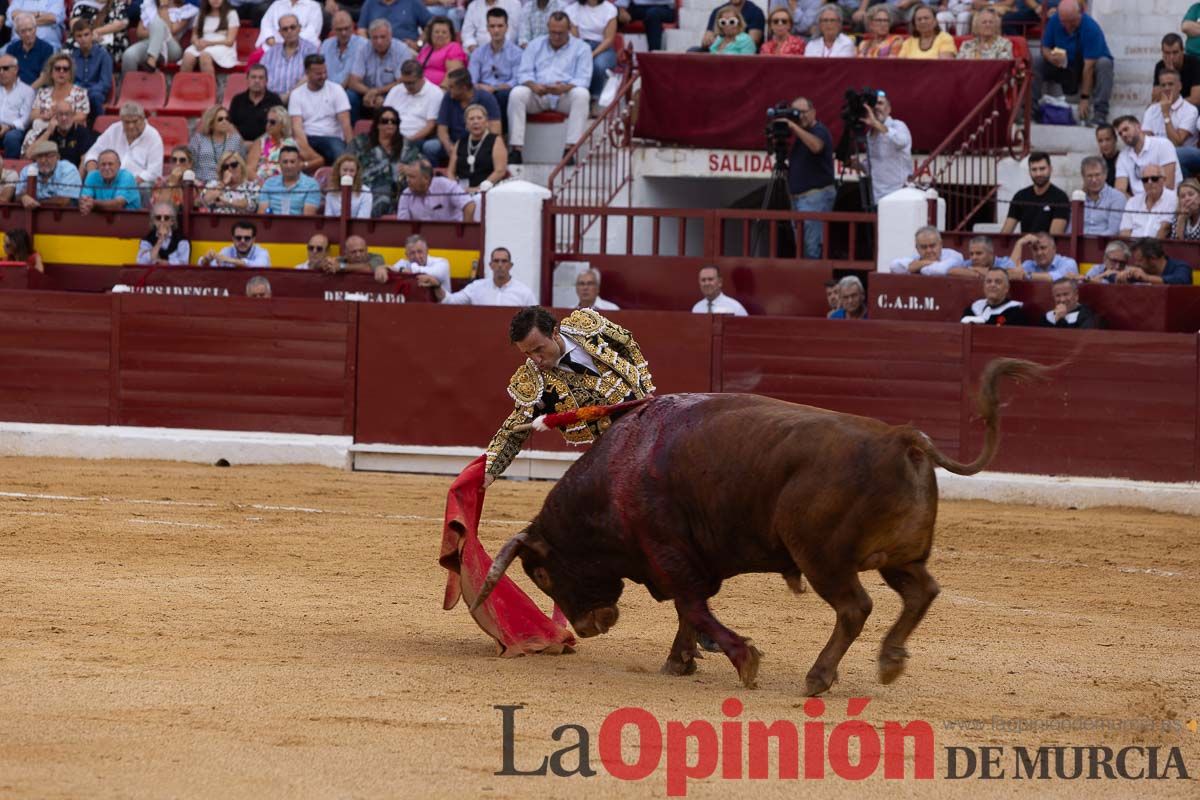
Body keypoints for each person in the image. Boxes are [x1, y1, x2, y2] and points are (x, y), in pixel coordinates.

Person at [482, 304, 654, 485]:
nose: (536, 359)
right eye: (527, 353)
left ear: (555, 333)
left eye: (539, 349)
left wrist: (646, 388)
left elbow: (627, 344)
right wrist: (489, 470)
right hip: (617, 451)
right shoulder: (535, 382)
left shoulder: (587, 326)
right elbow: (513, 431)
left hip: (650, 419)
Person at [506, 13, 593, 165]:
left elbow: (583, 79)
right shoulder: (534, 45)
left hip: (564, 96)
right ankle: (516, 150)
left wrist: (565, 87)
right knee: (517, 93)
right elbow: (523, 73)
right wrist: (534, 85)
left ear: (569, 29)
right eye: (553, 32)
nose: (556, 36)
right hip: (539, 94)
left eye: (560, 33)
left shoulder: (582, 48)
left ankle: (570, 150)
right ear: (548, 28)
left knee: (582, 94)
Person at [1035, 0, 1113, 127]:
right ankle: (1031, 109)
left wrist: (1084, 98)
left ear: (1080, 13)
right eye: (1064, 22)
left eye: (1071, 22)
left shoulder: (1091, 28)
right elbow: (1045, 47)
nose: (1067, 26)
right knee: (1038, 61)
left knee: (1105, 64)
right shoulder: (1054, 21)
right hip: (1063, 65)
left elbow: (1089, 67)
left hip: (1085, 67)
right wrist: (1050, 57)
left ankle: (1100, 114)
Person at [784, 96, 834, 259]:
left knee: (812, 247)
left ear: (813, 112)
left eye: (804, 112)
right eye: (796, 113)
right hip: (798, 199)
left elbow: (816, 146)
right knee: (802, 248)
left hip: (814, 196)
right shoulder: (799, 136)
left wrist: (793, 126)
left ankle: (814, 282)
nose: (800, 116)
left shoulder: (819, 130)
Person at [21, 52, 89, 158]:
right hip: (39, 132)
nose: (61, 72)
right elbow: (33, 114)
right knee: (26, 157)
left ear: (70, 74)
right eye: (57, 68)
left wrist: (58, 120)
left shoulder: (80, 93)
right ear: (51, 73)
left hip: (64, 134)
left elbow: (82, 116)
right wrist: (45, 114)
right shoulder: (43, 92)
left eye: (65, 69)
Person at [289, 54, 353, 167]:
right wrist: (310, 154)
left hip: (332, 137)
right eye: (318, 74)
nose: (323, 76)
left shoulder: (336, 90)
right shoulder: (296, 94)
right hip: (307, 137)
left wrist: (351, 150)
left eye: (325, 72)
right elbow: (297, 128)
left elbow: (346, 124)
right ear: (307, 73)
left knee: (339, 152)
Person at [419, 246, 535, 304]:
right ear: (490, 265)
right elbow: (450, 300)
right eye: (496, 261)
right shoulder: (477, 287)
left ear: (510, 265)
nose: (500, 265)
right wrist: (437, 286)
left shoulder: (524, 292)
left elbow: (536, 320)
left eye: (504, 261)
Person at [82, 102, 163, 185]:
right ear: (121, 120)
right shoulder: (114, 130)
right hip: (107, 179)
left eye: (135, 121)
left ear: (143, 119)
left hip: (135, 184)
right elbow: (92, 153)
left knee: (145, 186)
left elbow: (154, 172)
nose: (131, 126)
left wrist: (128, 183)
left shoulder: (153, 136)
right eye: (127, 122)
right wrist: (93, 175)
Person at [432, 68, 500, 165]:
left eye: (452, 87)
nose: (448, 89)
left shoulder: (487, 98)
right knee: (430, 147)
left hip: (479, 144)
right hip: (454, 142)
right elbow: (442, 128)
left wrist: (483, 148)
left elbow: (496, 129)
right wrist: (449, 147)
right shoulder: (448, 97)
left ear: (463, 88)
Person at [346, 19, 415, 114]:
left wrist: (377, 92)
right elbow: (353, 82)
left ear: (390, 36)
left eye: (383, 37)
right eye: (375, 38)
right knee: (350, 96)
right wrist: (371, 92)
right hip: (367, 92)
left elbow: (401, 82)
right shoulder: (363, 49)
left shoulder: (402, 50)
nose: (379, 41)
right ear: (370, 38)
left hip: (391, 93)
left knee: (393, 98)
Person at [1143, 69, 1200, 180]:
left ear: (1179, 86)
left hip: (1184, 155)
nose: (1167, 88)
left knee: (1175, 155)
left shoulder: (1190, 110)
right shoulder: (1151, 110)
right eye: (1163, 85)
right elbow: (1146, 142)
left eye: (1170, 84)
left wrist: (1166, 114)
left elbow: (1177, 142)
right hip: (1159, 157)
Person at [349, 107, 406, 216]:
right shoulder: (360, 142)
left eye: (394, 122)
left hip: (397, 195)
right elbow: (343, 163)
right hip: (363, 192)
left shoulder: (406, 145)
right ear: (377, 124)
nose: (390, 124)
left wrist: (409, 169)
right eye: (385, 121)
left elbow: (423, 167)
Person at [469, 7, 521, 128]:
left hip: (503, 92)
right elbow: (471, 79)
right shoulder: (478, 53)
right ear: (487, 28)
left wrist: (495, 88)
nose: (496, 30)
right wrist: (480, 87)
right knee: (474, 94)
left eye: (500, 26)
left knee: (503, 95)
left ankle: (499, 135)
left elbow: (516, 80)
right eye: (492, 26)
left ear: (507, 27)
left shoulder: (517, 53)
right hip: (482, 90)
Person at [383, 59, 443, 161]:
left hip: (416, 138)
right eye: (405, 82)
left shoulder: (435, 93)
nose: (407, 86)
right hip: (391, 135)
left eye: (411, 83)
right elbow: (383, 115)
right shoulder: (396, 90)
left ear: (421, 78)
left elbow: (430, 125)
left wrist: (408, 139)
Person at [861, 91, 911, 207]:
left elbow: (901, 141)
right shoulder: (870, 135)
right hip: (878, 199)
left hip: (898, 197)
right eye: (874, 104)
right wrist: (854, 164)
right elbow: (872, 168)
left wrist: (875, 123)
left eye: (880, 103)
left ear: (889, 109)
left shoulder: (898, 125)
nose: (877, 107)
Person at [1000, 151, 1069, 235]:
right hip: (1024, 245)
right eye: (1034, 169)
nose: (1038, 173)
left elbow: (1054, 237)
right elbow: (1005, 233)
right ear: (1029, 171)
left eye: (1042, 169)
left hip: (1048, 247)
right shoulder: (1020, 196)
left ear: (1050, 169)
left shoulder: (1060, 198)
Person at [246, 105, 319, 181]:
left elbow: (319, 160)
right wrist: (263, 185)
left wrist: (303, 165)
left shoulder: (294, 143)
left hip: (288, 185)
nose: (268, 125)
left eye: (272, 122)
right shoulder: (260, 143)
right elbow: (249, 170)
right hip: (263, 186)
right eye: (267, 121)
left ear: (282, 124)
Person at [122, 0, 198, 73]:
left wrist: (163, 7)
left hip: (171, 47)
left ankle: (152, 60)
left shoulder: (186, 9)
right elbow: (139, 32)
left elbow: (171, 31)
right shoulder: (149, 6)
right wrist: (156, 32)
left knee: (157, 22)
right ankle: (127, 84)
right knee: (128, 56)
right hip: (149, 44)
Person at [260, 13, 319, 103]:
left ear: (299, 28)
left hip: (303, 101)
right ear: (280, 32)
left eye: (293, 27)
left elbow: (311, 76)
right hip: (272, 102)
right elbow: (261, 76)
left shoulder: (310, 50)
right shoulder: (271, 53)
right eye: (285, 29)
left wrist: (289, 96)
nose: (289, 31)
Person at [449, 103, 505, 193]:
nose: (475, 122)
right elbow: (450, 172)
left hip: (487, 191)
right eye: (471, 119)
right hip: (461, 192)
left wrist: (480, 188)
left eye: (479, 118)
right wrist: (455, 188)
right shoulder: (460, 142)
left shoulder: (496, 140)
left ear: (486, 122)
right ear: (466, 124)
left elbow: (500, 170)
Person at [565, 0, 617, 98]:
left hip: (603, 48)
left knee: (598, 66)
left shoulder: (610, 9)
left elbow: (609, 39)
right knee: (574, 63)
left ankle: (595, 98)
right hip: (580, 46)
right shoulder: (572, 9)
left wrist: (593, 54)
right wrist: (584, 53)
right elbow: (575, 38)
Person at [395, 157, 475, 221]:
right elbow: (403, 225)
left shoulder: (445, 185)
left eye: (412, 177)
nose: (408, 180)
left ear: (426, 179)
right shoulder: (406, 194)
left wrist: (464, 234)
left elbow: (469, 205)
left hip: (450, 236)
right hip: (422, 239)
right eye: (407, 176)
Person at [322, 10, 369, 117]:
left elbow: (353, 77)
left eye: (346, 28)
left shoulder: (363, 44)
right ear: (333, 29)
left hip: (349, 89)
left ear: (353, 26)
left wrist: (335, 94)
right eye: (339, 29)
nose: (344, 33)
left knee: (349, 96)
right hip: (326, 88)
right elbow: (321, 69)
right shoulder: (326, 44)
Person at [30, 99, 97, 168]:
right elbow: (30, 155)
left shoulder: (82, 132)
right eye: (60, 114)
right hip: (50, 175)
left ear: (72, 115)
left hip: (73, 174)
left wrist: (77, 178)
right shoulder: (49, 131)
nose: (64, 118)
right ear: (55, 117)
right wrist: (48, 132)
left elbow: (85, 160)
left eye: (67, 114)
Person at [258, 144, 321, 214]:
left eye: (292, 162)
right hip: (272, 224)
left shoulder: (311, 185)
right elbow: (262, 214)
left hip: (299, 224)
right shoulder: (269, 183)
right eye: (285, 162)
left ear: (299, 162)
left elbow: (308, 219)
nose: (289, 166)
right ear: (279, 163)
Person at [188, 105, 245, 184]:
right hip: (201, 183)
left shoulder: (235, 140)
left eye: (227, 119)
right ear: (211, 122)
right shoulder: (198, 139)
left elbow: (242, 165)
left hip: (227, 184)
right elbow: (190, 163)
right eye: (220, 119)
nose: (224, 121)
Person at [180, 0, 240, 74]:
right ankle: (185, 84)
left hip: (222, 45)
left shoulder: (231, 14)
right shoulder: (201, 13)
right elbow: (194, 36)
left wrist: (209, 43)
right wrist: (196, 43)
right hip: (203, 43)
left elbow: (230, 41)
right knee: (188, 55)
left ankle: (209, 85)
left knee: (205, 55)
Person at [1118, 163, 1175, 240]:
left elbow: (1165, 229)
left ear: (1164, 180)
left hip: (1156, 246)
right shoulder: (1132, 202)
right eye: (1145, 180)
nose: (1149, 182)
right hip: (1132, 246)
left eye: (1154, 179)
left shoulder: (1173, 199)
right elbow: (1125, 231)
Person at [67, 0, 132, 67]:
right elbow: (73, 24)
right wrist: (89, 36)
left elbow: (122, 23)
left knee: (100, 53)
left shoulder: (117, 4)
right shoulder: (82, 4)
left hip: (111, 39)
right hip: (84, 36)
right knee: (67, 52)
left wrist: (97, 32)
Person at [229, 64, 284, 143]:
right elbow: (231, 125)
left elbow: (279, 126)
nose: (257, 81)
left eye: (261, 78)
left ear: (266, 81)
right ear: (247, 79)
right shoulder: (237, 100)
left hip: (267, 145)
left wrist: (256, 145)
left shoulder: (275, 100)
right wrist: (242, 144)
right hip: (240, 144)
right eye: (253, 77)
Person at [18, 140, 82, 208]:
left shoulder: (68, 170)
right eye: (39, 156)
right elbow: (17, 195)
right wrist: (23, 197)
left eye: (48, 156)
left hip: (62, 216)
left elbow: (64, 201)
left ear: (57, 157)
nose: (43, 160)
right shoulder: (27, 170)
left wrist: (35, 203)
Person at [70, 18, 112, 119]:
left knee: (95, 96)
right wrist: (78, 92)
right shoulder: (72, 57)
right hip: (77, 93)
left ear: (92, 35)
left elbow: (105, 83)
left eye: (86, 34)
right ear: (75, 38)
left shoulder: (103, 55)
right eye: (79, 36)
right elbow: (70, 81)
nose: (83, 39)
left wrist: (86, 92)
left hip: (96, 93)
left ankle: (98, 127)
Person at [79, 148, 139, 213]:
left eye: (110, 164)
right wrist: (85, 203)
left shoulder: (127, 177)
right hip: (100, 219)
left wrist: (93, 203)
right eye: (103, 164)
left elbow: (117, 205)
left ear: (119, 165)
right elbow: (84, 199)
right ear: (98, 166)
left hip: (128, 219)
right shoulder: (92, 176)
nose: (107, 168)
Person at [960, 267, 1027, 326]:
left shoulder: (1015, 313)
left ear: (1007, 288)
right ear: (984, 287)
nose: (992, 285)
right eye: (989, 281)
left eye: (998, 282)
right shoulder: (972, 310)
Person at [888, 225, 963, 276]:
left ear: (941, 244)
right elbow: (894, 265)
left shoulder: (954, 256)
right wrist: (928, 262)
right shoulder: (916, 258)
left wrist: (916, 266)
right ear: (917, 248)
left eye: (932, 246)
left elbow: (939, 270)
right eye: (924, 247)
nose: (928, 250)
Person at [1079, 155, 1125, 237]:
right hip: (1080, 244)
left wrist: (1091, 243)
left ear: (1105, 175)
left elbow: (1113, 230)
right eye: (1089, 176)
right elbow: (1071, 228)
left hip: (1104, 245)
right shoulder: (1078, 198)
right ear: (1083, 177)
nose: (1094, 180)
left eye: (1097, 175)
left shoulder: (1117, 197)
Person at [0, 55, 35, 159]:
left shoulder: (27, 91)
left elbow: (25, 119)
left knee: (12, 138)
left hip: (14, 129)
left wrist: (8, 127)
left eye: (5, 68)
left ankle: (11, 169)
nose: (1, 72)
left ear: (15, 69)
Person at [416, 16, 466, 88]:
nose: (440, 35)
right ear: (431, 34)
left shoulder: (454, 47)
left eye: (444, 32)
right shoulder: (426, 48)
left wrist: (442, 89)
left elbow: (453, 74)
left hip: (440, 91)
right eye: (436, 32)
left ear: (451, 35)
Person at [4, 14, 54, 86]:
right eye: (23, 31)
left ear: (36, 29)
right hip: (15, 89)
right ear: (18, 33)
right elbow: (8, 74)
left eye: (30, 29)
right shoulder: (12, 49)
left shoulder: (47, 49)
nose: (28, 34)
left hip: (37, 89)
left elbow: (44, 77)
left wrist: (28, 92)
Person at [1152, 33, 1200, 107]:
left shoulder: (1194, 63)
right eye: (1167, 53)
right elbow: (1155, 99)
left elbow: (1196, 99)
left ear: (1182, 51)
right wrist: (1168, 73)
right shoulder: (1160, 66)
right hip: (1169, 106)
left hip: (1190, 107)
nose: (1171, 57)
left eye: (1175, 52)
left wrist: (1174, 104)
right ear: (1162, 53)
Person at [1010, 231, 1079, 282]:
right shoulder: (1029, 264)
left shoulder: (1068, 263)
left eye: (1043, 248)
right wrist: (1019, 243)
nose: (1039, 253)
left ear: (1054, 248)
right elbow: (1010, 273)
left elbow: (1054, 278)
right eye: (1035, 249)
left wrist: (1026, 275)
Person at [199, 219, 272, 267]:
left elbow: (260, 265)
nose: (242, 241)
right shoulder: (227, 251)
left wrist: (230, 260)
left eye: (247, 238)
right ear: (233, 239)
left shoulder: (262, 252)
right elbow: (211, 266)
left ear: (253, 239)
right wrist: (206, 260)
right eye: (238, 238)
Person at [384, 233, 450, 285]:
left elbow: (437, 274)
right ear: (407, 255)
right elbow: (389, 271)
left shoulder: (442, 262)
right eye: (412, 253)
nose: (417, 256)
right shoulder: (403, 263)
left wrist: (404, 271)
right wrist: (382, 268)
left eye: (420, 251)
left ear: (427, 251)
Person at [356, 0, 431, 47]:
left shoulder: (413, 2)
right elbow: (361, 29)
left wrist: (418, 44)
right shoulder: (370, 3)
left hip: (407, 49)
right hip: (376, 50)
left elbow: (431, 25)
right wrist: (368, 46)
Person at [323, 152, 373, 218]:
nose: (348, 174)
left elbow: (363, 220)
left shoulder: (366, 192)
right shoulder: (331, 193)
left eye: (352, 171)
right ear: (338, 171)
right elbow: (328, 219)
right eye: (345, 170)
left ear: (356, 173)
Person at [1126, 237, 1192, 285]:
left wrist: (1147, 278)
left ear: (1153, 258)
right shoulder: (1142, 270)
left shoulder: (1181, 267)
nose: (1136, 264)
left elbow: (1181, 281)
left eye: (1140, 260)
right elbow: (1117, 277)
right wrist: (1122, 276)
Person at [257, 0, 322, 48]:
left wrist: (287, 43)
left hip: (303, 48)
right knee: (255, 58)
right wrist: (270, 38)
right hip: (273, 45)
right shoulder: (277, 4)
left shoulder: (314, 6)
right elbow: (266, 24)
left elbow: (312, 31)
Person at [947, 235, 1016, 279]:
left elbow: (1014, 274)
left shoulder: (1005, 262)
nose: (974, 257)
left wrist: (976, 270)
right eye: (971, 254)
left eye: (979, 253)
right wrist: (976, 274)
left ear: (991, 253)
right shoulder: (969, 263)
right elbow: (951, 271)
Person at [322, 233, 387, 273]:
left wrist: (341, 266)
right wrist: (327, 264)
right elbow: (317, 264)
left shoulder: (377, 258)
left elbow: (368, 268)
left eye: (361, 251)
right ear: (346, 253)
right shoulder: (343, 259)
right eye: (353, 252)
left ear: (367, 250)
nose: (358, 255)